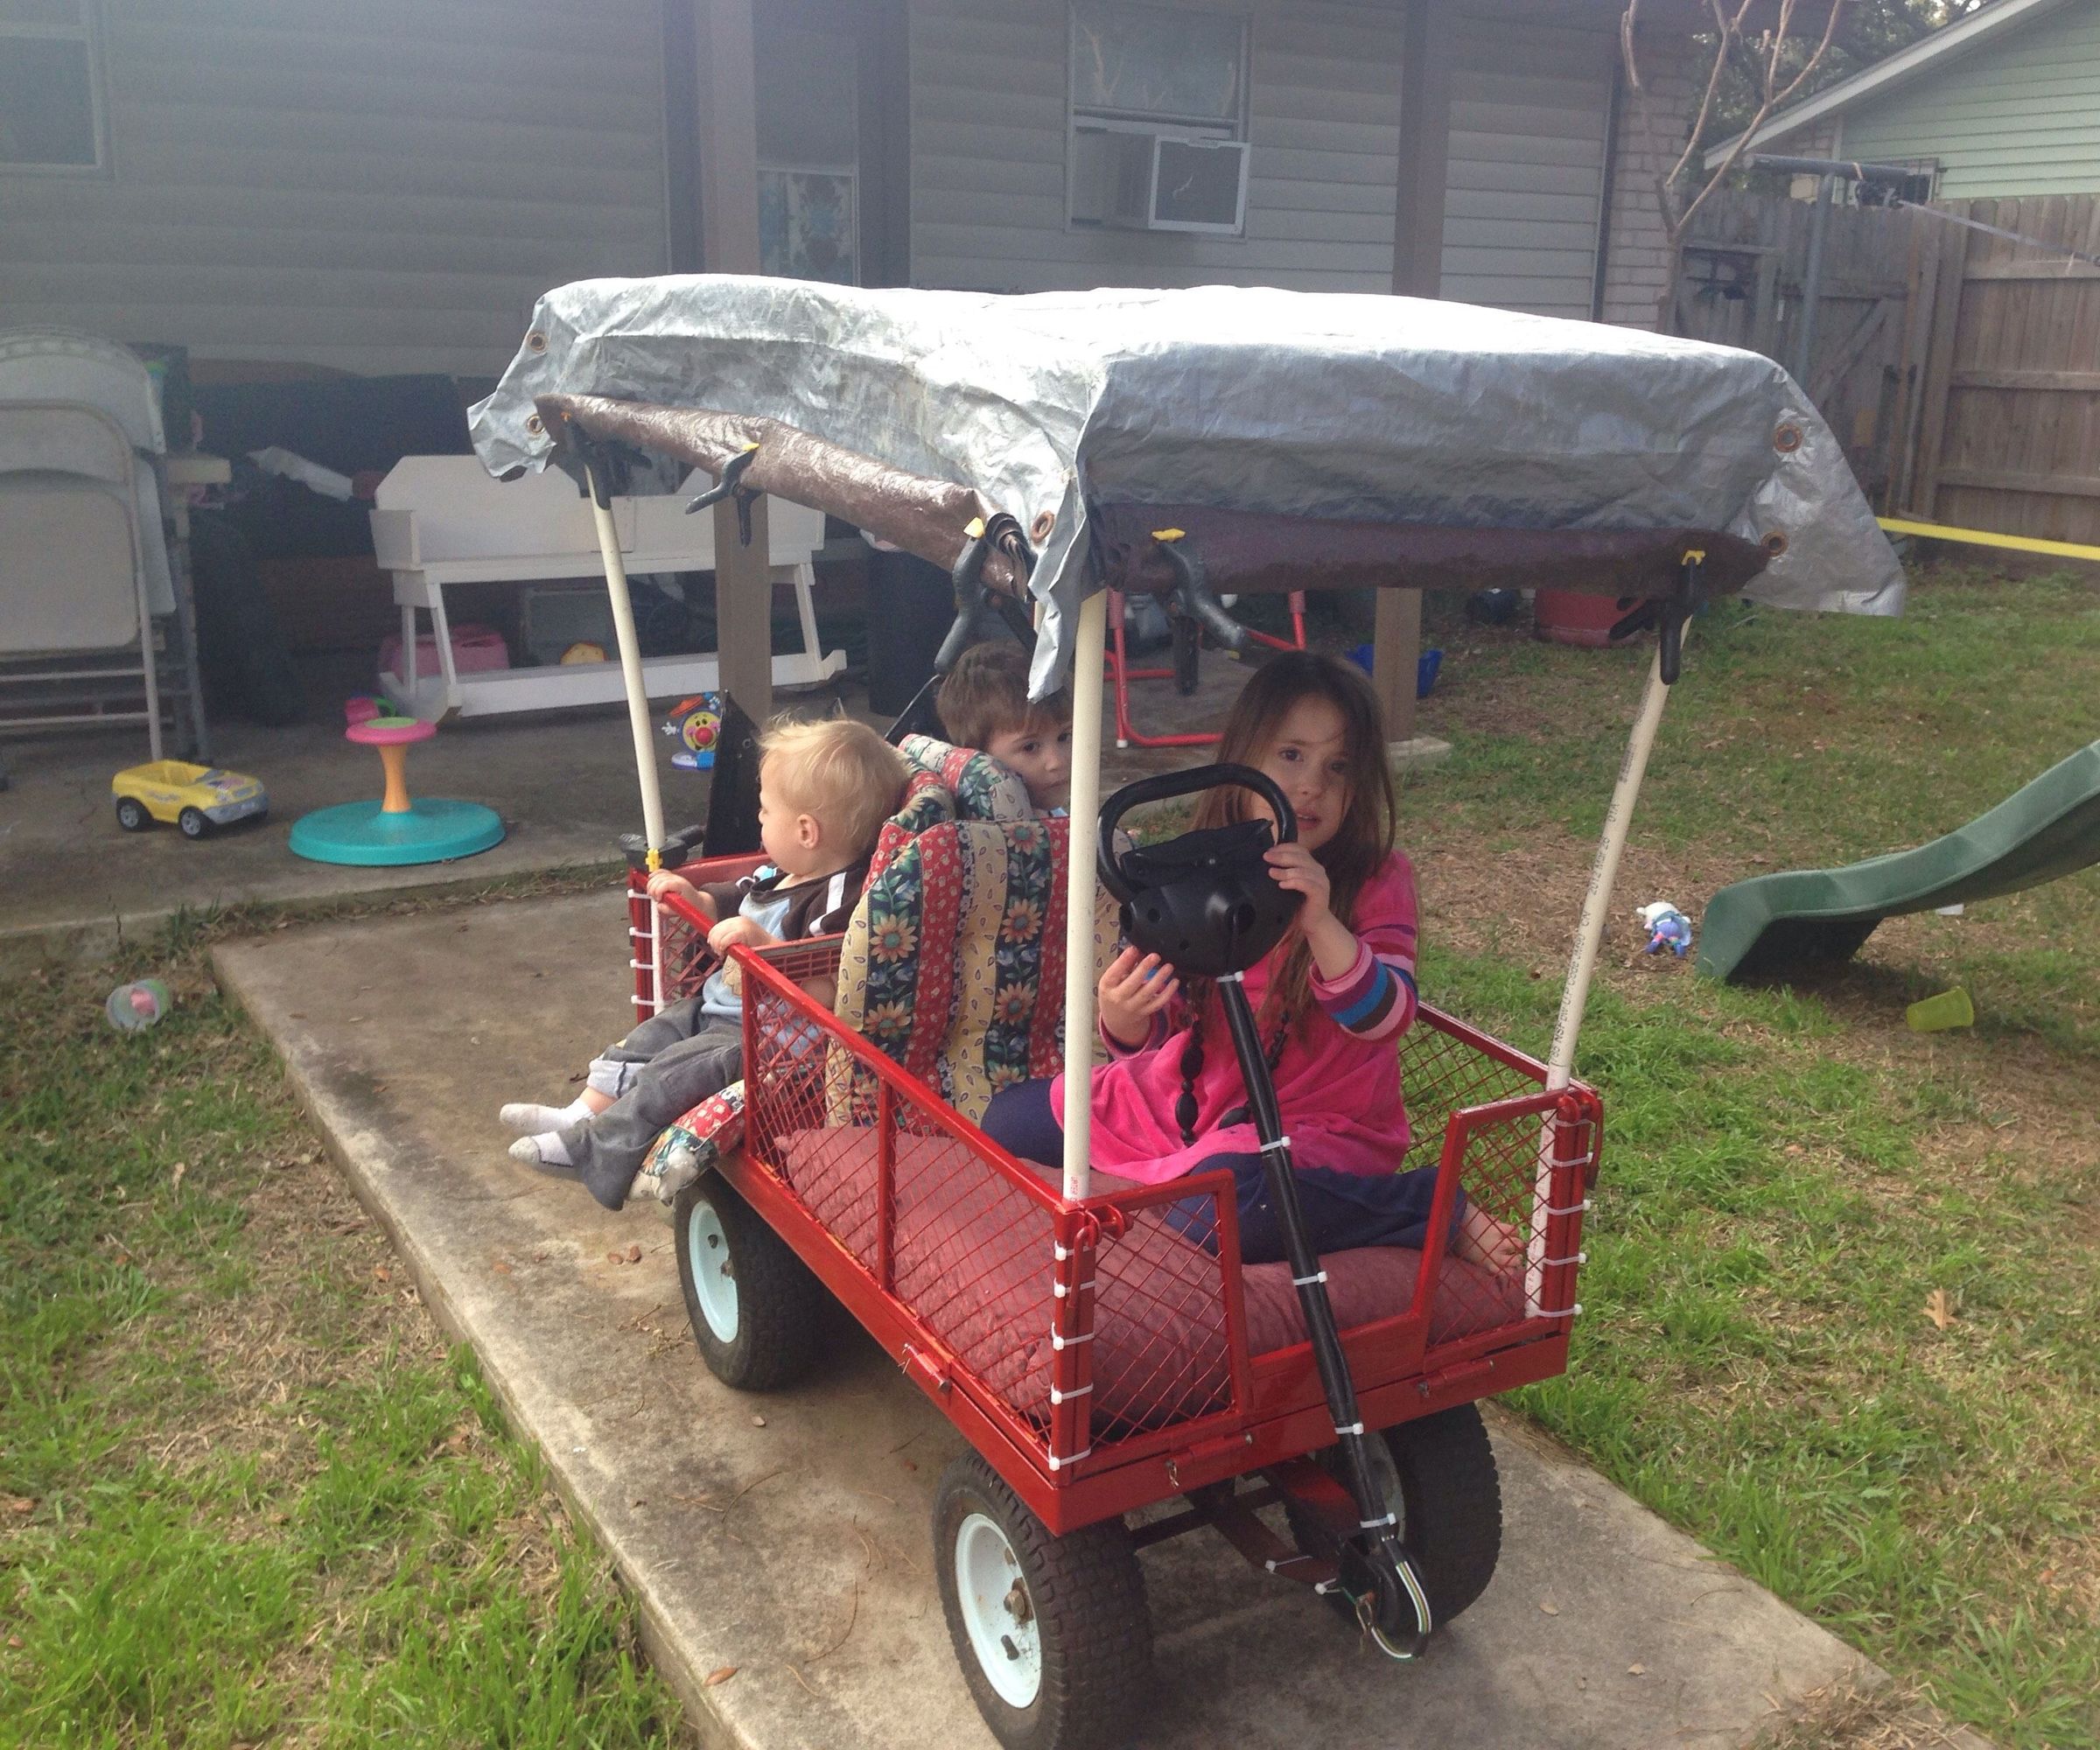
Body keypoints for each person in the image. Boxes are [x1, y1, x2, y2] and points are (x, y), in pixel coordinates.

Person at [981, 651, 1515, 1270]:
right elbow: (1170, 1022)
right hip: (1187, 1102)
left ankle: (1426, 1206)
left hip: (1311, 1126)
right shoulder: (1198, 867)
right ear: (1243, 760)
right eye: (1291, 756)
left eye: (1337, 767)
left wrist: (1318, 919)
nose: (1312, 784)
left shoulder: (1374, 879)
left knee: (1226, 1205)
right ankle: (1162, 1184)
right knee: (1007, 1122)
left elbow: (1387, 1017)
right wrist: (1124, 1018)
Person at [501, 718, 907, 1211]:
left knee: (672, 1075)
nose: (758, 821)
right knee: (647, 1039)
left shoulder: (841, 900)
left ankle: (595, 1152)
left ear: (806, 831)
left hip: (767, 1043)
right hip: (716, 1006)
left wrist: (766, 949)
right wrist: (693, 896)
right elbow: (734, 898)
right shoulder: (781, 871)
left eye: (764, 811)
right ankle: (578, 1114)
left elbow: (833, 988)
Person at [935, 640, 1073, 816]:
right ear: (979, 757)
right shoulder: (983, 838)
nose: (1057, 762)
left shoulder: (1056, 818)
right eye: (1029, 747)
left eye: (1064, 737)